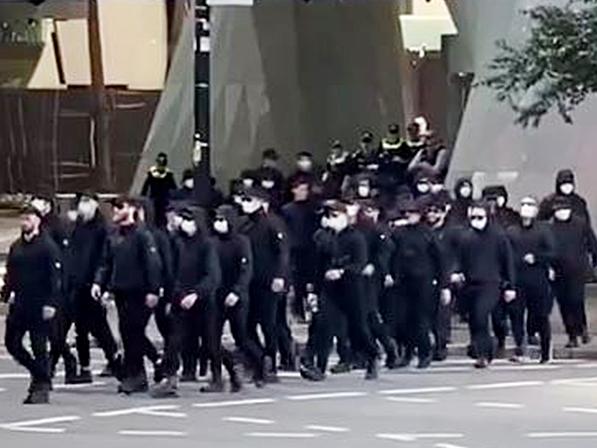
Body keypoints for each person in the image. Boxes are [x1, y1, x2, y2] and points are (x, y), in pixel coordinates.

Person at [93, 196, 162, 394]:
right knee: (127, 333)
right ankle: (138, 372)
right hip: (121, 291)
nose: (115, 210)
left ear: (132, 209)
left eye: (120, 207)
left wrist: (153, 290)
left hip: (139, 292)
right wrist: (100, 283)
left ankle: (139, 375)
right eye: (114, 207)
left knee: (134, 332)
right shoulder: (114, 235)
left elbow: (153, 264)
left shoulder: (142, 235)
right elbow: (106, 262)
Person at [151, 207, 221, 397]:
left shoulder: (207, 244)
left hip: (204, 301)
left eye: (188, 219)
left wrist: (196, 294)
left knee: (210, 341)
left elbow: (212, 275)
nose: (184, 223)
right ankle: (170, 379)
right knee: (174, 341)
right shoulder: (177, 242)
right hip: (180, 300)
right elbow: (172, 272)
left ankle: (218, 376)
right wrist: (177, 294)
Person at [3, 206, 62, 404]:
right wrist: (5, 295)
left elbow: (56, 277)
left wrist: (51, 303)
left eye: (28, 219)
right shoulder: (17, 246)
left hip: (40, 304)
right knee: (12, 343)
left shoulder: (47, 246)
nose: (24, 223)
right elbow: (10, 274)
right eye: (22, 219)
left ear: (37, 221)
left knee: (39, 346)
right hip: (20, 303)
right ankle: (38, 373)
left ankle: (41, 386)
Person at [316, 201, 380, 380]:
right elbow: (320, 261)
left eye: (336, 216)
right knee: (325, 325)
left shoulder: (356, 237)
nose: (332, 220)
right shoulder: (325, 237)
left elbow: (360, 263)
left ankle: (372, 355)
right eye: (329, 217)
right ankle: (318, 366)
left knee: (358, 327)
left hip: (352, 288)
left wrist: (342, 271)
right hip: (330, 289)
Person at [453, 202, 516, 369]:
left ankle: (485, 353)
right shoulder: (466, 237)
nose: (476, 220)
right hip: (471, 284)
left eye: (480, 217)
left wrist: (510, 286)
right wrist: (457, 273)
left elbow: (507, 262)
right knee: (474, 320)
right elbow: (460, 260)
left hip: (491, 283)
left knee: (481, 315)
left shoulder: (498, 237)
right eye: (473, 217)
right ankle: (480, 348)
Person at [388, 199, 450, 369]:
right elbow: (391, 254)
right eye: (407, 213)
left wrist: (443, 284)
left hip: (424, 282)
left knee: (421, 320)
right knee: (403, 319)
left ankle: (424, 353)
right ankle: (406, 353)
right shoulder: (399, 233)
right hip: (403, 281)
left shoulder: (427, 234)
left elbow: (440, 260)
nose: (409, 216)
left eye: (412, 213)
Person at [67, 192, 121, 384]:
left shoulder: (102, 228)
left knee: (99, 327)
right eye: (81, 202)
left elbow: (104, 258)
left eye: (87, 202)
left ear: (95, 204)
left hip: (92, 284)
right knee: (80, 328)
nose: (83, 206)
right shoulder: (78, 227)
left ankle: (114, 359)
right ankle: (85, 367)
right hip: (77, 283)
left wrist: (102, 284)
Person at [239, 187, 290, 383]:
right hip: (250, 280)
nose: (245, 204)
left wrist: (280, 276)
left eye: (249, 200)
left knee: (269, 323)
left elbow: (282, 252)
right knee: (247, 324)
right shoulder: (244, 224)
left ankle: (270, 362)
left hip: (268, 281)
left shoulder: (272, 223)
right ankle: (256, 360)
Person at [211, 205, 263, 390]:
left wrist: (237, 291)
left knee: (241, 336)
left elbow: (246, 270)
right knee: (212, 337)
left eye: (222, 220)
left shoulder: (242, 242)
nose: (218, 224)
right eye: (216, 220)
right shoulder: (213, 243)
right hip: (217, 295)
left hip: (237, 296)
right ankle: (217, 376)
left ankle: (260, 366)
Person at [30, 195, 77, 384]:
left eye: (38, 201)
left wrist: (62, 282)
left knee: (54, 330)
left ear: (48, 205)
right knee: (49, 330)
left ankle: (63, 362)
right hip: (38, 283)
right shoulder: (37, 225)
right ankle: (57, 364)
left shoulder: (56, 226)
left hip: (56, 285)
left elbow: (64, 256)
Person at [507, 197, 556, 363]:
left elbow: (552, 253)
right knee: (516, 315)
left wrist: (537, 258)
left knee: (540, 316)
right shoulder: (512, 231)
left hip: (538, 280)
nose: (526, 208)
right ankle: (520, 348)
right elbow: (506, 254)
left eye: (530, 205)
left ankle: (545, 351)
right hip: (518, 279)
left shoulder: (543, 230)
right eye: (523, 204)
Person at [356, 200, 398, 368]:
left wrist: (376, 265)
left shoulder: (374, 229)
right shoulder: (349, 230)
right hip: (352, 276)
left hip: (369, 278)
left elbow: (386, 248)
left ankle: (388, 347)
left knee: (369, 314)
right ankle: (362, 353)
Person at [550, 198, 597, 348]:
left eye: (563, 209)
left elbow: (592, 243)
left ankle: (582, 329)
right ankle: (571, 334)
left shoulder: (580, 224)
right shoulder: (550, 228)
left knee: (576, 300)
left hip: (577, 269)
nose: (561, 213)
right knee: (564, 304)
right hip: (558, 271)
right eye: (558, 210)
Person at [424, 196, 461, 361]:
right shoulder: (425, 231)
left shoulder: (452, 233)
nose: (432, 214)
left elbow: (459, 255)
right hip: (428, 275)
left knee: (442, 312)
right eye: (429, 211)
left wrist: (455, 272)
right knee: (429, 312)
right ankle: (431, 343)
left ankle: (441, 344)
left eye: (436, 211)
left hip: (446, 275)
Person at [281, 179, 320, 320]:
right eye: (301, 189)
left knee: (310, 278)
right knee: (297, 281)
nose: (304, 192)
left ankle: (310, 308)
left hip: (310, 247)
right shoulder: (287, 209)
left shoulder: (312, 209)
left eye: (306, 189)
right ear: (294, 190)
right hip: (295, 248)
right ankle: (298, 309)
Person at [141, 152, 177, 228]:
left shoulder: (168, 174)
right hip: (154, 197)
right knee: (155, 215)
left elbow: (173, 186)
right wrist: (143, 194)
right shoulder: (152, 173)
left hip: (164, 198)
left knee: (163, 215)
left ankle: (162, 226)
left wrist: (174, 195)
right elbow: (146, 184)